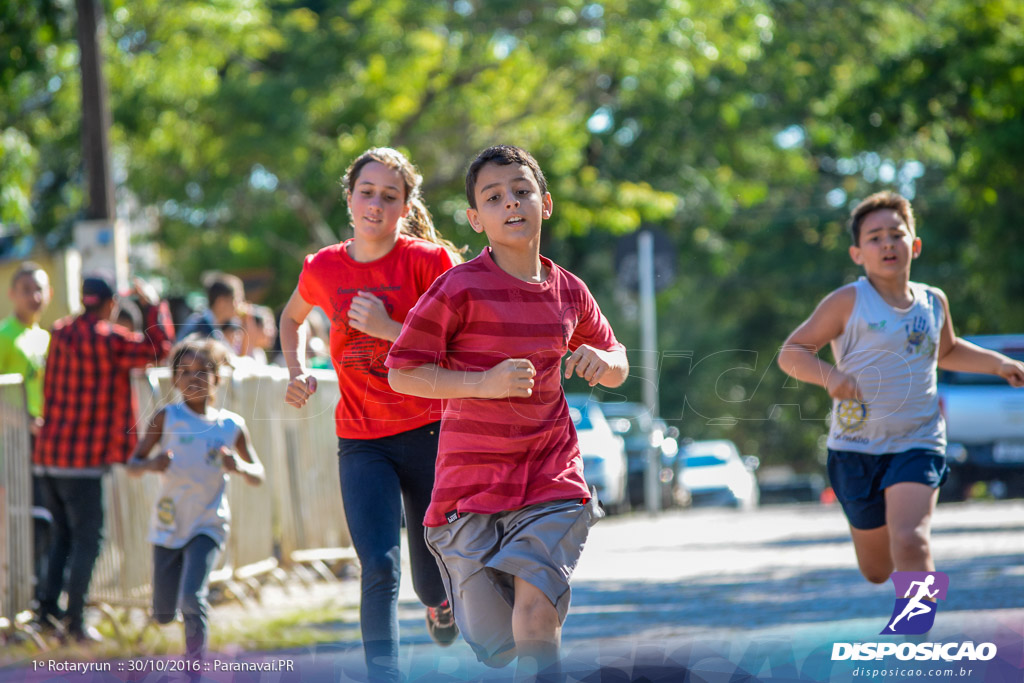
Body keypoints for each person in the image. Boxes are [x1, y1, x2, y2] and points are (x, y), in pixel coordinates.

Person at [386, 145, 629, 681]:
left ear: (546, 203)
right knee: (498, 643)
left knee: (535, 615)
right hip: (471, 490)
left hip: (551, 477)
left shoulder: (569, 290)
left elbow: (619, 362)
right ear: (476, 219)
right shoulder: (457, 288)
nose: (511, 204)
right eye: (493, 198)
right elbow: (402, 370)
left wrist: (602, 359)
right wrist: (484, 384)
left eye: (521, 192)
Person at [281, 147, 463, 682]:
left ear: (405, 206)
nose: (376, 205)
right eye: (367, 192)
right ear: (349, 197)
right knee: (379, 566)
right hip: (362, 439)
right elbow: (290, 319)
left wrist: (391, 328)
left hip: (430, 432)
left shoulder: (429, 264)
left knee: (432, 571)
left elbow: (460, 338)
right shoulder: (323, 268)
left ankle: (440, 602)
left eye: (389, 196)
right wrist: (296, 370)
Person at [778, 190, 1024, 585]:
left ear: (915, 243)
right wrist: (832, 377)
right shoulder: (847, 301)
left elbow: (947, 350)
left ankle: (916, 636)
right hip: (856, 449)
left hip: (918, 441)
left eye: (896, 233)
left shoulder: (933, 302)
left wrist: (1000, 364)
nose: (887, 243)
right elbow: (792, 352)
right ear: (857, 253)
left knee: (911, 541)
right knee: (877, 570)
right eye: (874, 237)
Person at [33, 273, 174, 642]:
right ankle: (75, 623)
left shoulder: (60, 332)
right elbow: (160, 349)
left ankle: (48, 615)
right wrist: (152, 304)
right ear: (111, 303)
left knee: (62, 537)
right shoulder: (110, 340)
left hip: (48, 455)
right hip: (82, 461)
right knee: (88, 541)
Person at [126, 338, 264, 661]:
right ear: (174, 379)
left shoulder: (230, 425)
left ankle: (194, 668)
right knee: (163, 613)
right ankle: (168, 619)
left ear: (217, 377)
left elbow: (259, 474)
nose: (194, 379)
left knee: (192, 597)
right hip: (169, 523)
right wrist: (152, 464)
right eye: (185, 372)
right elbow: (133, 464)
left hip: (209, 523)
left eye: (203, 371)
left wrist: (239, 467)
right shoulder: (166, 418)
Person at [0, 262, 53, 607]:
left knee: (42, 518)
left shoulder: (47, 337)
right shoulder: (5, 336)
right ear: (11, 294)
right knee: (13, 518)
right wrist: (22, 422)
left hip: (44, 442)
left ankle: (36, 595)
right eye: (26, 290)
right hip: (10, 442)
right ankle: (11, 601)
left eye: (40, 289)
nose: (34, 297)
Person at [176, 273, 245, 342]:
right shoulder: (200, 327)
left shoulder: (212, 325)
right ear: (221, 302)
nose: (241, 304)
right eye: (238, 299)